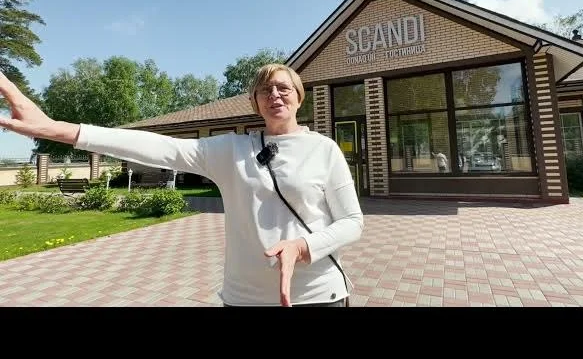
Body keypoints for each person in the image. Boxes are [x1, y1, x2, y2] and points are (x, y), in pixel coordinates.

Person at [0, 64, 364, 307]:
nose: (275, 95)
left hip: (318, 293)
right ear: (255, 102)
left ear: (299, 96)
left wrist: (302, 246)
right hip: (245, 297)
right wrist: (57, 129)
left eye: (283, 88)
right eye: (264, 90)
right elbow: (159, 147)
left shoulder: (323, 149)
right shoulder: (232, 150)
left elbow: (352, 222)